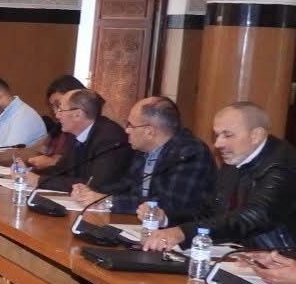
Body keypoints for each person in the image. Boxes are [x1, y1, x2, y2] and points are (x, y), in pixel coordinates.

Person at [141, 102, 296, 252]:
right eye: (217, 135)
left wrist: (184, 232)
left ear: (256, 135)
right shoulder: (236, 158)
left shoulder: (282, 165)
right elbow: (211, 211)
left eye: (227, 135)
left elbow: (254, 217)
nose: (218, 144)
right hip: (245, 251)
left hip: (283, 256)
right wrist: (166, 218)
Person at [69, 96, 214, 228]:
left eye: (131, 125)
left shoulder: (190, 153)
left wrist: (107, 201)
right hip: (138, 225)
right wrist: (92, 192)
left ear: (149, 131)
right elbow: (125, 186)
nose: (127, 130)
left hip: (179, 234)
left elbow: (170, 204)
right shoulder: (143, 149)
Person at [32, 89, 132, 193]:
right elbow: (60, 170)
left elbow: (94, 185)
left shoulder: (110, 138)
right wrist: (29, 174)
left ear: (78, 114)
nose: (57, 116)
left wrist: (39, 181)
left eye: (61, 110)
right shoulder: (74, 134)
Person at [26, 75, 87, 171]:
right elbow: (35, 152)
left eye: (59, 105)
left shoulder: (94, 132)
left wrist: (52, 163)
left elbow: (82, 168)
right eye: (52, 107)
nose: (55, 113)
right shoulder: (58, 130)